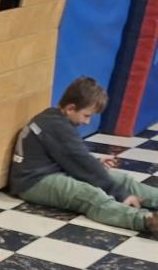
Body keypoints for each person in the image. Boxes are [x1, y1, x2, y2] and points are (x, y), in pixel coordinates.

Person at [10, 75, 158, 234]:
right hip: (33, 182)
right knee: (91, 195)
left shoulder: (54, 118)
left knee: (122, 180)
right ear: (70, 108)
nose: (87, 122)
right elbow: (83, 163)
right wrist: (121, 194)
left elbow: (76, 159)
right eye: (87, 115)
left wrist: (96, 163)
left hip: (52, 171)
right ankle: (145, 221)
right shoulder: (56, 126)